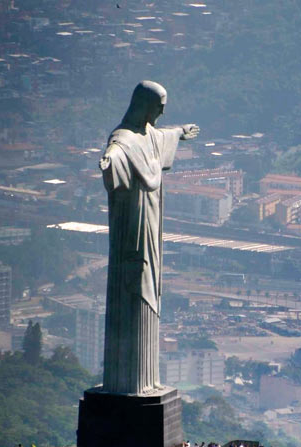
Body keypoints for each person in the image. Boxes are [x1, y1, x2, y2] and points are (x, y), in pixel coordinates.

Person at [99, 80, 199, 394]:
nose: (161, 114)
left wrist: (180, 131)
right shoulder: (124, 139)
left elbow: (160, 136)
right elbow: (115, 152)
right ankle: (129, 383)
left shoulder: (149, 135)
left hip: (152, 226)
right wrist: (109, 163)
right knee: (134, 286)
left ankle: (146, 380)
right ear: (144, 105)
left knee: (151, 290)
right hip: (132, 228)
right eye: (158, 108)